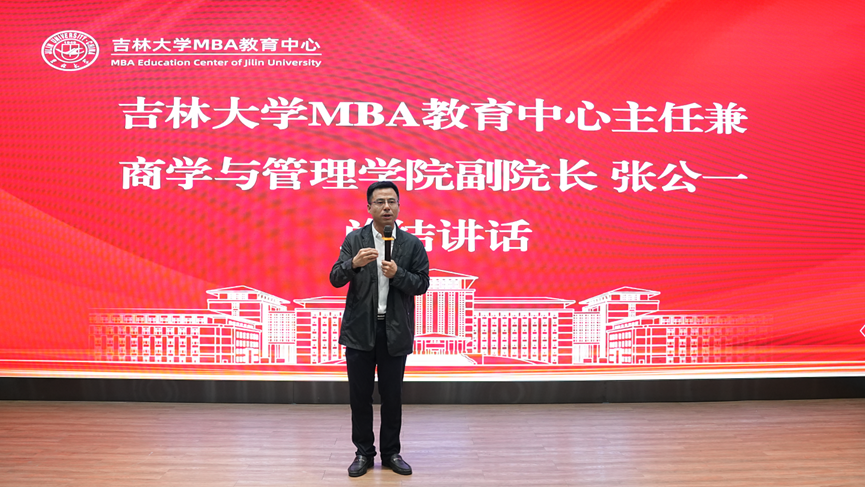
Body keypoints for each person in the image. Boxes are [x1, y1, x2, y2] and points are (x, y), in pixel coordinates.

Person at [329, 181, 430, 477]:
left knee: (392, 396)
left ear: (398, 206)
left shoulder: (411, 244)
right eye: (380, 202)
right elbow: (335, 278)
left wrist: (399, 274)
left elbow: (422, 284)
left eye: (392, 201)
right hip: (360, 331)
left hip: (394, 331)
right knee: (360, 397)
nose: (387, 207)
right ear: (369, 207)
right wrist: (353, 264)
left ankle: (391, 453)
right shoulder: (354, 239)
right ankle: (363, 452)